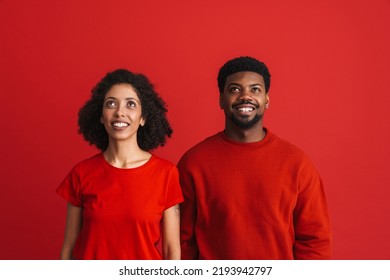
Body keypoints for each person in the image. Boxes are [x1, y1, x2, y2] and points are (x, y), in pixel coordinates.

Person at [178, 56, 332, 260]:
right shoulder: (193, 163)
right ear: (221, 99)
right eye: (234, 89)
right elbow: (182, 242)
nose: (245, 96)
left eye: (255, 89)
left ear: (266, 100)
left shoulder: (297, 163)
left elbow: (315, 240)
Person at [57, 69, 183, 260]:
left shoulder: (166, 173)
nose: (120, 112)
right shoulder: (81, 173)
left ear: (143, 118)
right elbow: (69, 249)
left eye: (130, 104)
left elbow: (171, 251)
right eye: (111, 104)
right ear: (101, 116)